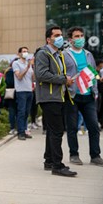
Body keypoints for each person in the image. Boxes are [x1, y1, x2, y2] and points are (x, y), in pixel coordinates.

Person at [34, 26, 77, 177]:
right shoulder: (43, 53)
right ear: (48, 39)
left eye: (61, 35)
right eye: (57, 35)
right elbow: (41, 74)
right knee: (57, 131)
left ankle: (49, 161)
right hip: (49, 97)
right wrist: (64, 80)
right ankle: (58, 166)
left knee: (52, 131)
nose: (60, 37)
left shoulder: (58, 54)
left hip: (58, 97)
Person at [63, 26, 103, 167]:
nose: (80, 38)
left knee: (94, 127)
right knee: (72, 127)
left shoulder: (88, 54)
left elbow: (94, 73)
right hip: (73, 95)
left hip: (88, 95)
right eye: (77, 36)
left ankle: (95, 156)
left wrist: (94, 90)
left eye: (81, 35)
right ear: (70, 40)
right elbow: (61, 73)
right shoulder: (64, 55)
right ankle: (74, 154)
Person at [13, 47, 34, 140]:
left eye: (27, 51)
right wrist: (27, 68)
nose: (26, 53)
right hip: (21, 91)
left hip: (29, 90)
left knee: (26, 112)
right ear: (19, 53)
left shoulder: (28, 64)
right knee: (21, 111)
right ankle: (20, 132)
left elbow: (33, 78)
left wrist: (33, 67)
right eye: (24, 51)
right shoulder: (16, 63)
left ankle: (25, 130)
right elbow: (19, 76)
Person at [4, 58, 18, 134]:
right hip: (12, 93)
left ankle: (18, 127)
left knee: (19, 111)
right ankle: (12, 127)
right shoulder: (10, 72)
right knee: (12, 111)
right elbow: (9, 82)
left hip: (18, 93)